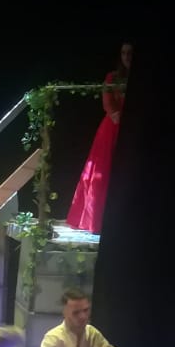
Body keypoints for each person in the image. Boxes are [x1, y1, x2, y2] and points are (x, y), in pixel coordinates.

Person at [66, 41, 131, 234]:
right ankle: (96, 221)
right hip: (113, 127)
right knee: (102, 172)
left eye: (130, 53)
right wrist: (115, 114)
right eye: (124, 53)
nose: (127, 57)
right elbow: (108, 102)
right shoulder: (113, 77)